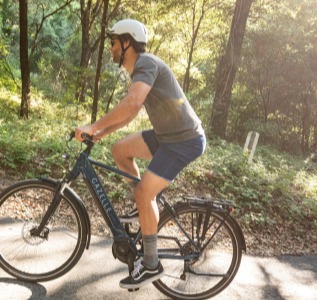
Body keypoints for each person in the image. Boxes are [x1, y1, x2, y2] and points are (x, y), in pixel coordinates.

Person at [74, 19, 206, 290]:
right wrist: (101, 133)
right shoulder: (140, 70)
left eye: (113, 42)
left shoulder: (146, 63)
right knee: (120, 150)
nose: (110, 48)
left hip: (184, 141)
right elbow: (129, 112)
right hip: (166, 136)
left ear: (127, 42)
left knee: (144, 193)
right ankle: (143, 209)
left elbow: (132, 104)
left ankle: (151, 264)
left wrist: (93, 125)